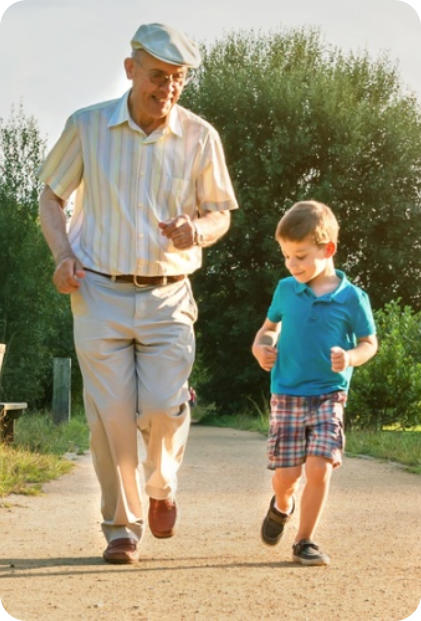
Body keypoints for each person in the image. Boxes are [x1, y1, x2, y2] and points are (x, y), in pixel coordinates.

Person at [38, 23, 238, 564]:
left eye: (177, 80)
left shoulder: (200, 137)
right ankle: (121, 528)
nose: (167, 89)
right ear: (131, 70)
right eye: (158, 76)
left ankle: (162, 486)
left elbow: (220, 211)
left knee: (163, 407)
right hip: (98, 290)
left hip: (169, 294)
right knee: (112, 415)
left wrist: (197, 230)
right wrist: (62, 255)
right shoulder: (87, 126)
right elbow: (52, 197)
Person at [251, 200, 377, 566]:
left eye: (301, 256)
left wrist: (351, 357)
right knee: (287, 476)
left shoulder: (353, 298)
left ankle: (305, 540)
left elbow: (370, 343)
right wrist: (262, 348)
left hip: (329, 394)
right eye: (287, 257)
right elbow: (268, 329)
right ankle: (282, 504)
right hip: (287, 393)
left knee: (320, 467)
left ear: (328, 249)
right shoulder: (286, 290)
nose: (293, 265)